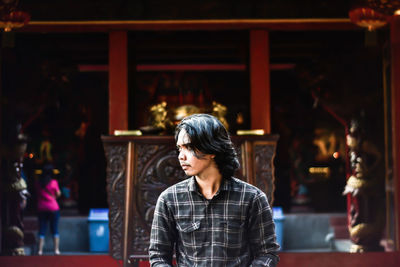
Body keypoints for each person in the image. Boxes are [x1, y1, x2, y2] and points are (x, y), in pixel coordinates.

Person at [149, 114, 280, 266]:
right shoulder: (169, 199)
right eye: (180, 148)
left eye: (189, 147)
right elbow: (158, 256)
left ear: (212, 149)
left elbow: (267, 253)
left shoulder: (252, 198)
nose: (181, 156)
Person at [35, 162, 61, 255]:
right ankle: (56, 250)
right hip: (53, 207)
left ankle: (40, 250)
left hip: (41, 207)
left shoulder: (38, 183)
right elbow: (58, 194)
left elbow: (37, 193)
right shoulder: (54, 182)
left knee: (42, 229)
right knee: (54, 228)